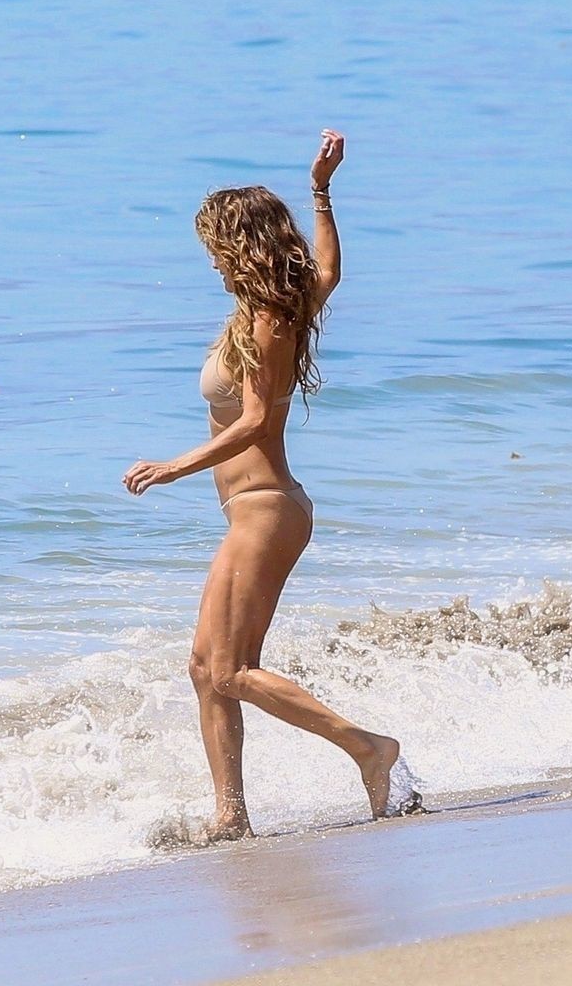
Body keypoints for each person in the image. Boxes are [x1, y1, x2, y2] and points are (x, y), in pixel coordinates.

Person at [124, 130, 418, 841]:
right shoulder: (279, 307)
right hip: (256, 512)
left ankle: (369, 748)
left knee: (231, 670)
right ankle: (231, 817)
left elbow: (256, 421)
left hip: (265, 510)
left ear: (239, 246)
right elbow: (329, 268)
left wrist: (174, 467)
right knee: (206, 669)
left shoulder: (267, 322)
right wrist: (321, 190)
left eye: (214, 248)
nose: (210, 261)